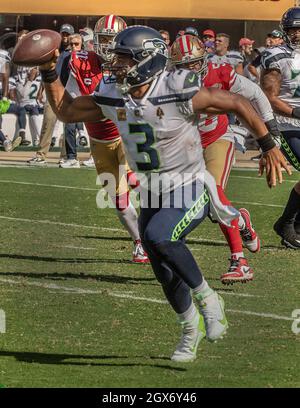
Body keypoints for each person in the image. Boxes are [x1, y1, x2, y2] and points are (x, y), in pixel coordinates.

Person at [37, 26, 289, 362]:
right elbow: (67, 111)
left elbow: (237, 101)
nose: (117, 65)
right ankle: (190, 328)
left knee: (158, 236)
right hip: (153, 191)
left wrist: (269, 142)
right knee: (162, 269)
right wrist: (49, 70)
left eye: (125, 58)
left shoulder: (177, 88)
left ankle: (210, 301)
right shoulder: (115, 92)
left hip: (190, 184)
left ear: (147, 59)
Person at [170, 34, 280, 283]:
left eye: (193, 64)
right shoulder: (166, 83)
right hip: (187, 145)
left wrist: (270, 130)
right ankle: (241, 221)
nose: (188, 70)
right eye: (182, 65)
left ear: (203, 61)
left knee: (214, 192)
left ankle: (239, 260)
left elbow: (255, 94)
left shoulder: (220, 72)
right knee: (198, 204)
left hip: (218, 136)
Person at [66, 16, 148, 263]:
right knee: (117, 197)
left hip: (125, 134)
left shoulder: (130, 64)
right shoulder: (80, 63)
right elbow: (71, 98)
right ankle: (139, 242)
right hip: (97, 138)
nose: (107, 45)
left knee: (143, 185)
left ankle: (160, 231)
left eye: (112, 40)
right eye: (103, 39)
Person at [261, 7, 300, 248]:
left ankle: (293, 227)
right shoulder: (276, 55)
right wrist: (297, 112)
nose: (296, 34)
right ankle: (288, 223)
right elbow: (269, 98)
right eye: (292, 30)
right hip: (286, 123)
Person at [28, 23, 75, 165]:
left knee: (69, 126)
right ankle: (41, 154)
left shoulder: (76, 52)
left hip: (69, 92)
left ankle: (65, 156)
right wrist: (41, 90)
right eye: (63, 34)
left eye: (67, 34)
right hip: (54, 91)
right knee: (48, 122)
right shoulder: (54, 51)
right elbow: (47, 71)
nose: (65, 37)